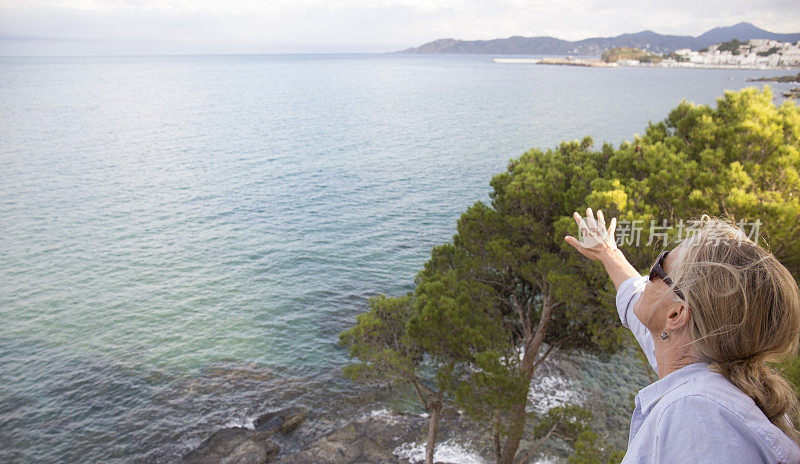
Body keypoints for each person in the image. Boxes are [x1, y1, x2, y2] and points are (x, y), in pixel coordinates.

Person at [564, 208, 800, 464]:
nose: (648, 276)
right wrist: (608, 253)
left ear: (676, 315)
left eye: (659, 268)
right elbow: (636, 297)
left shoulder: (698, 417)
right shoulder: (712, 372)